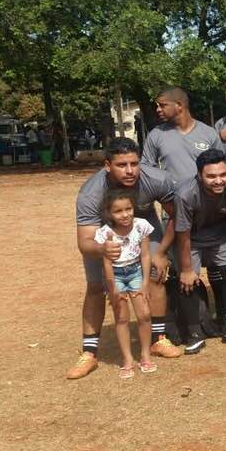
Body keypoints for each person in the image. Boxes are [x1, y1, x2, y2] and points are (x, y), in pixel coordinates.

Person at [69, 138, 180, 380]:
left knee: (156, 274)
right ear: (107, 165)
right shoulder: (91, 193)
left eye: (134, 163)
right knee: (96, 286)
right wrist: (103, 250)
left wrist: (161, 252)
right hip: (104, 236)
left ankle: (158, 339)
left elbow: (176, 217)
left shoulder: (156, 179)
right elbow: (85, 242)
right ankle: (89, 353)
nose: (130, 171)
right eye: (122, 165)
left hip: (143, 228)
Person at [174, 149, 226, 353]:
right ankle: (194, 332)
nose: (218, 181)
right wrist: (187, 269)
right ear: (199, 175)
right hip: (192, 239)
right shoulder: (185, 194)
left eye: (223, 175)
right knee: (186, 281)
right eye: (211, 176)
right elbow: (183, 233)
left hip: (220, 237)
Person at [95, 190, 156, 379]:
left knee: (144, 314)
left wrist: (146, 282)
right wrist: (112, 288)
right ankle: (127, 359)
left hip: (136, 271)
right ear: (109, 213)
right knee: (121, 317)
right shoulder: (105, 233)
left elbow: (145, 255)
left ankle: (145, 354)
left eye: (128, 209)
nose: (125, 214)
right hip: (117, 275)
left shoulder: (142, 226)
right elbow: (106, 263)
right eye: (118, 211)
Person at [142, 86, 224, 184]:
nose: (158, 110)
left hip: (204, 198)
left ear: (179, 105)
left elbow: (222, 167)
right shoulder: (156, 135)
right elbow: (146, 170)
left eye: (163, 105)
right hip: (171, 198)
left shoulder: (209, 133)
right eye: (158, 106)